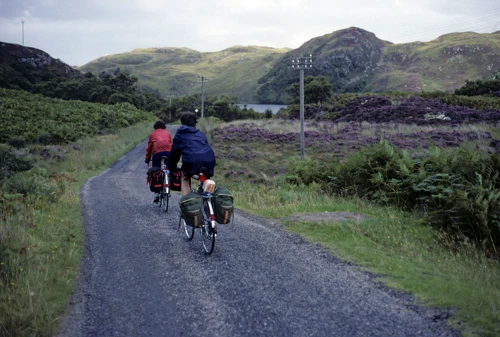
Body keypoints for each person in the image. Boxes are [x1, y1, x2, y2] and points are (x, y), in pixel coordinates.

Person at [168, 112, 216, 195]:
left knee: (185, 177)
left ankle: (186, 203)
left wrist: (172, 167)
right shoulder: (201, 134)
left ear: (182, 122)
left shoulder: (180, 135)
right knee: (205, 177)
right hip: (209, 160)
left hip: (191, 161)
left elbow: (174, 154)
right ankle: (208, 197)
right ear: (194, 123)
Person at [145, 120, 172, 203]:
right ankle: (168, 185)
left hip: (157, 153)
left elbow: (149, 148)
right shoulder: (167, 133)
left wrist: (147, 158)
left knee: (156, 170)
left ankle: (156, 193)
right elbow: (171, 144)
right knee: (168, 168)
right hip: (168, 152)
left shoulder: (153, 134)